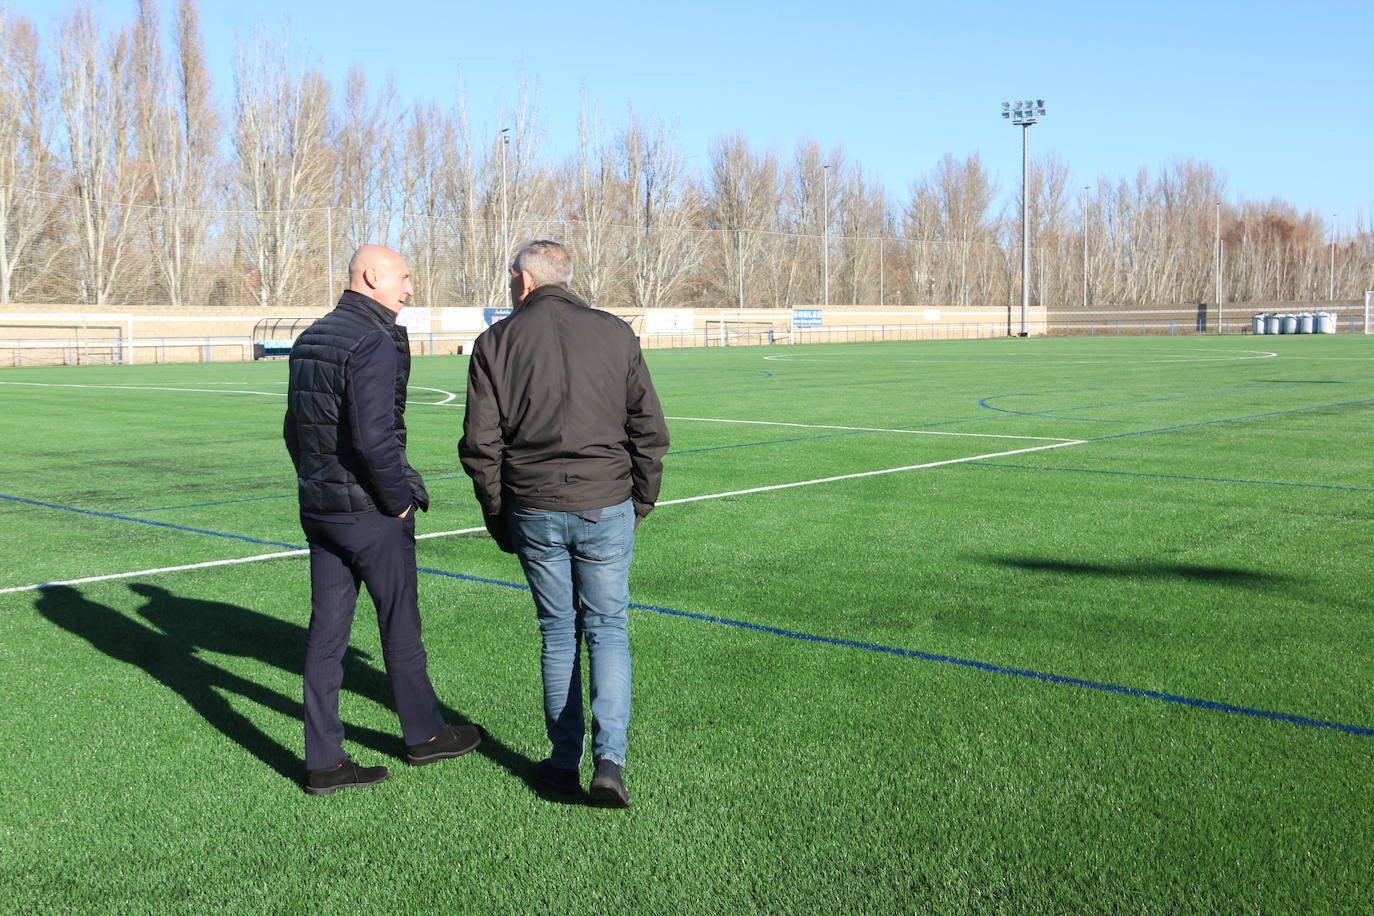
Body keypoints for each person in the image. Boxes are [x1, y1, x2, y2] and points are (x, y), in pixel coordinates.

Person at [459, 240, 669, 807]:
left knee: (558, 632)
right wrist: (640, 502)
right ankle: (609, 761)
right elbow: (649, 432)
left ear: (524, 281)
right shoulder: (614, 332)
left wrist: (501, 516)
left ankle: (561, 760)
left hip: (536, 507)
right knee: (607, 628)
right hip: (605, 503)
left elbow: (481, 446)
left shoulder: (496, 343)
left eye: (510, 280)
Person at [284, 244, 481, 796]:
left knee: (326, 637)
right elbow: (374, 438)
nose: (411, 288)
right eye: (405, 277)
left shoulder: (312, 336)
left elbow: (293, 428)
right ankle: (424, 736)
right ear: (371, 276)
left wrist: (315, 483)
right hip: (368, 512)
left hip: (320, 510)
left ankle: (324, 762)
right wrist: (396, 500)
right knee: (399, 625)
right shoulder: (373, 337)